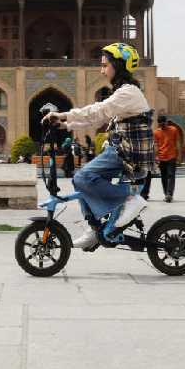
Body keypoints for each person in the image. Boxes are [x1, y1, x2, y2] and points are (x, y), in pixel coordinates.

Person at [42, 42, 154, 249]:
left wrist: (64, 114)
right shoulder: (123, 93)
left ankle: (129, 199)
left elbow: (98, 111)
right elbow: (96, 119)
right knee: (81, 183)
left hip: (129, 153)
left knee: (82, 177)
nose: (102, 70)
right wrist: (65, 125)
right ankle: (95, 229)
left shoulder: (128, 93)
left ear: (118, 65)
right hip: (121, 150)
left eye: (105, 65)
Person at [141, 115, 182, 202]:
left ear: (166, 122)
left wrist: (179, 155)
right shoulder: (156, 132)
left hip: (172, 156)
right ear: (159, 123)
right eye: (160, 124)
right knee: (164, 177)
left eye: (163, 123)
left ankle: (169, 194)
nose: (162, 125)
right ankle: (166, 194)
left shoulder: (174, 130)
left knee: (171, 176)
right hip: (162, 157)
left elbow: (177, 142)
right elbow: (156, 145)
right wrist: (156, 157)